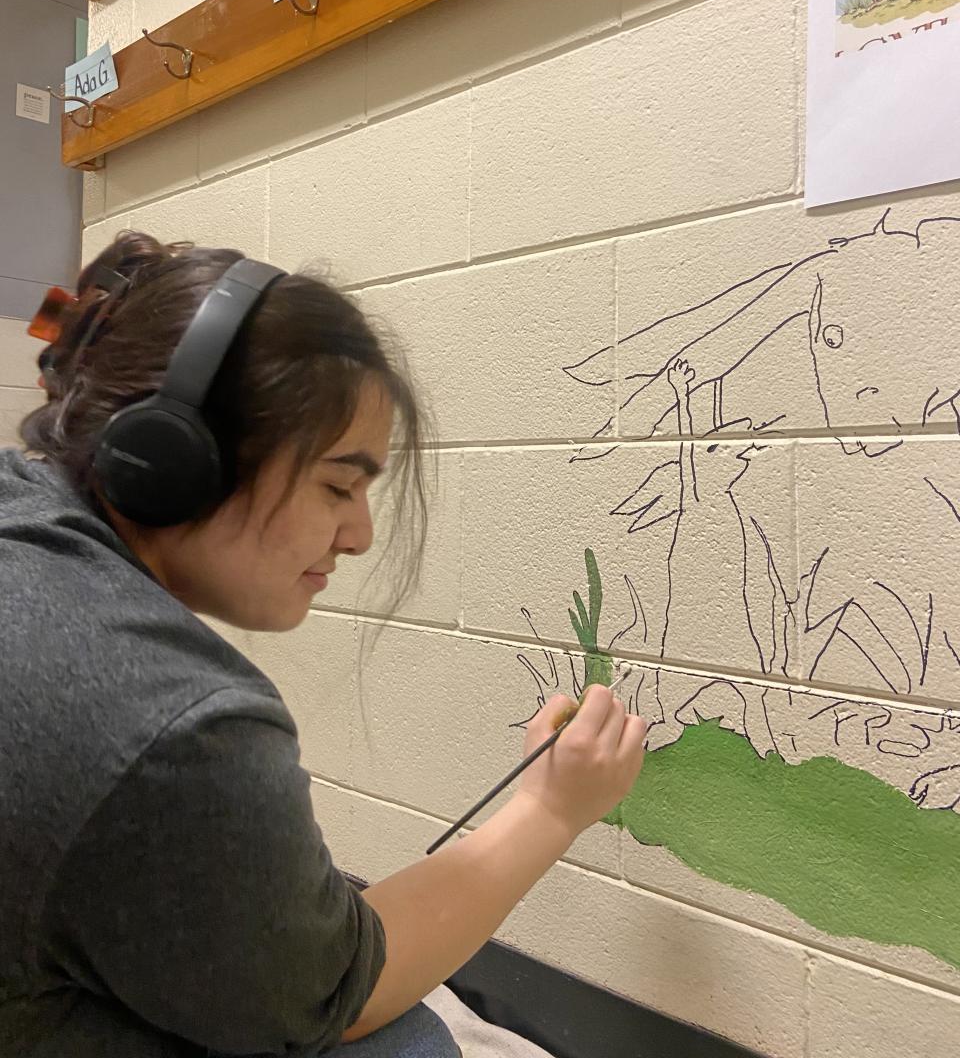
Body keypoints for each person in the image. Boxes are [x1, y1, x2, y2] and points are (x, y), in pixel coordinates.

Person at [0, 231, 649, 1058]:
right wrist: (551, 809)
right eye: (339, 485)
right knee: (404, 1045)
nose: (360, 534)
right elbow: (339, 998)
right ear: (174, 460)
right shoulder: (173, 722)